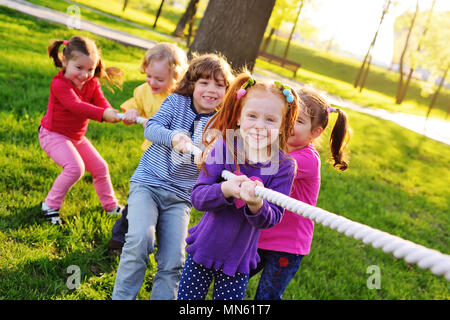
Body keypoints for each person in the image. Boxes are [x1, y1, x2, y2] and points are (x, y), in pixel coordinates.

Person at [112, 53, 234, 300]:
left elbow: (223, 162)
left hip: (180, 197)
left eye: (219, 85)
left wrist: (212, 159)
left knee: (173, 261)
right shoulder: (176, 102)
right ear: (192, 84)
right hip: (149, 183)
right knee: (139, 241)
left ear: (227, 90)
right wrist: (174, 137)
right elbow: (153, 127)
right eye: (204, 83)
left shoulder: (222, 123)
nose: (211, 90)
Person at [176, 73, 299, 300]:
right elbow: (198, 198)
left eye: (270, 120)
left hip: (239, 259)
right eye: (252, 116)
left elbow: (271, 218)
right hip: (204, 249)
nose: (260, 126)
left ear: (283, 125)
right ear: (240, 117)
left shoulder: (284, 166)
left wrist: (256, 203)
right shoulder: (225, 146)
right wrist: (227, 190)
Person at [251, 87, 351, 300]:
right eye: (287, 115)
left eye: (299, 120)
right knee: (233, 279)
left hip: (287, 245)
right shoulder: (277, 146)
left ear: (315, 132)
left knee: (266, 297)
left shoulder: (307, 159)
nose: (288, 123)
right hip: (262, 234)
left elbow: (268, 168)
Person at [108, 43, 188, 256]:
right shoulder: (143, 91)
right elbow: (129, 113)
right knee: (140, 198)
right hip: (152, 159)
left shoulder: (181, 97)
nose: (152, 82)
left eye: (159, 79)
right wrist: (132, 114)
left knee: (167, 204)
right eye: (149, 76)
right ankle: (118, 239)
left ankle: (161, 243)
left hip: (175, 161)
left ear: (176, 77)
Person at [39, 35, 124, 225]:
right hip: (52, 134)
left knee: (100, 167)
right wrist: (103, 114)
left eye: (90, 69)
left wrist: (110, 112)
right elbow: (76, 106)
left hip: (75, 137)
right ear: (65, 62)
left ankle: (110, 206)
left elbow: (100, 101)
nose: (85, 74)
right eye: (79, 68)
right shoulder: (59, 84)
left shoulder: (91, 82)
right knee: (75, 168)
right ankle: (49, 205)